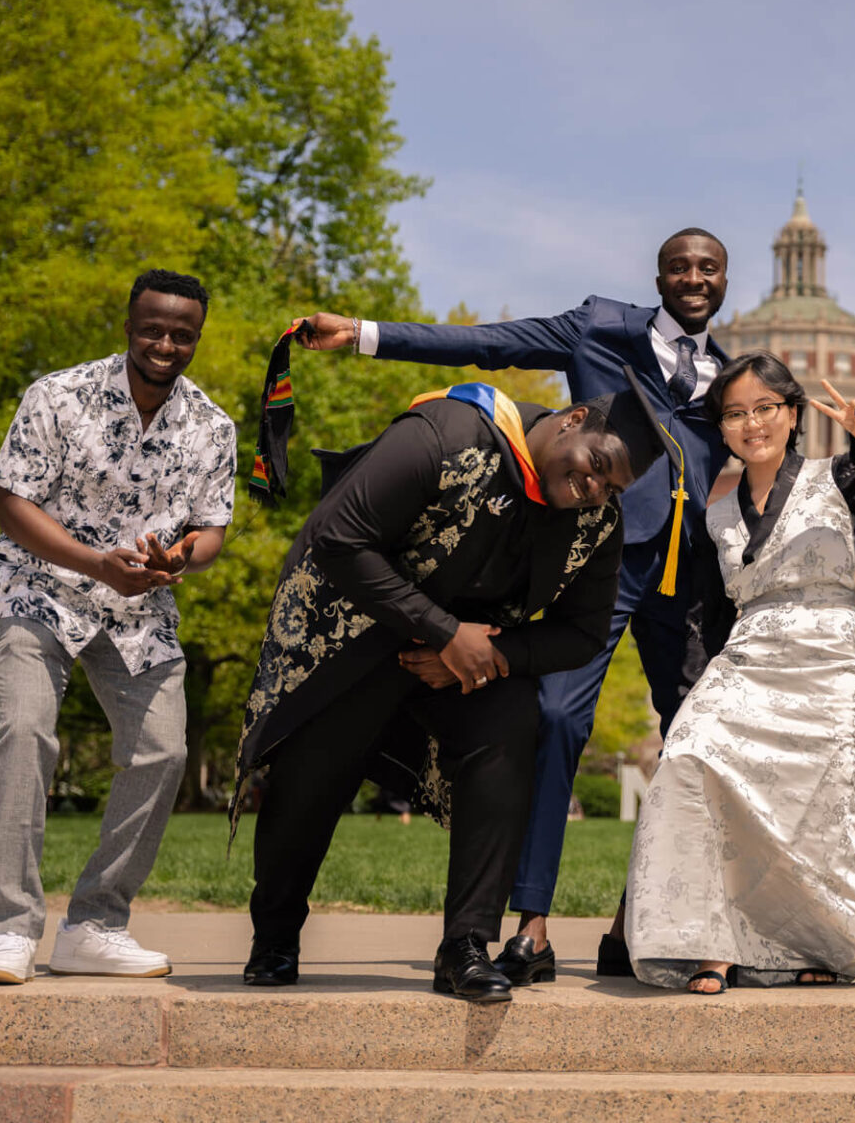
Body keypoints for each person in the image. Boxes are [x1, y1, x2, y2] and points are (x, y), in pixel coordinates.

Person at [287, 230, 734, 984]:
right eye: (680, 266)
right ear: (658, 275)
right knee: (556, 718)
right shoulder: (601, 327)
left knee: (699, 746)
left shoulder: (730, 373)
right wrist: (365, 336)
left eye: (708, 268)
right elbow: (489, 343)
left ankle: (639, 923)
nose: (693, 278)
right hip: (604, 561)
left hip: (688, 577)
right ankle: (532, 927)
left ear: (725, 280)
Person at [235, 372, 669, 1003]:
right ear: (574, 420)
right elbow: (338, 535)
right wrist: (445, 632)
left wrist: (490, 652)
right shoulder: (447, 433)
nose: (594, 487)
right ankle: (274, 938)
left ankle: (465, 947)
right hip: (355, 638)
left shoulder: (595, 522)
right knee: (310, 781)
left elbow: (581, 634)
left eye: (611, 485)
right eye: (597, 465)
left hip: (460, 668)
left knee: (516, 719)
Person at [626, 358, 855, 993]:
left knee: (815, 810)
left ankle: (816, 945)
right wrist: (691, 686)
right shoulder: (716, 512)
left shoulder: (837, 478)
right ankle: (707, 943)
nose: (751, 423)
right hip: (749, 654)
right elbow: (705, 612)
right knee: (688, 757)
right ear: (720, 427)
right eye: (735, 413)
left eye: (765, 408)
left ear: (794, 414)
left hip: (828, 657)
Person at [0, 269, 235, 985]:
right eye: (153, 327)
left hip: (138, 610)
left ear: (196, 339)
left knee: (163, 753)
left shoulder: (213, 426)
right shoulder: (57, 397)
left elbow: (211, 528)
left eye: (182, 333)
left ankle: (94, 923)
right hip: (41, 590)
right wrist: (95, 562)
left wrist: (177, 558)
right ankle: (11, 931)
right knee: (25, 733)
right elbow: (12, 505)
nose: (166, 343)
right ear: (128, 325)